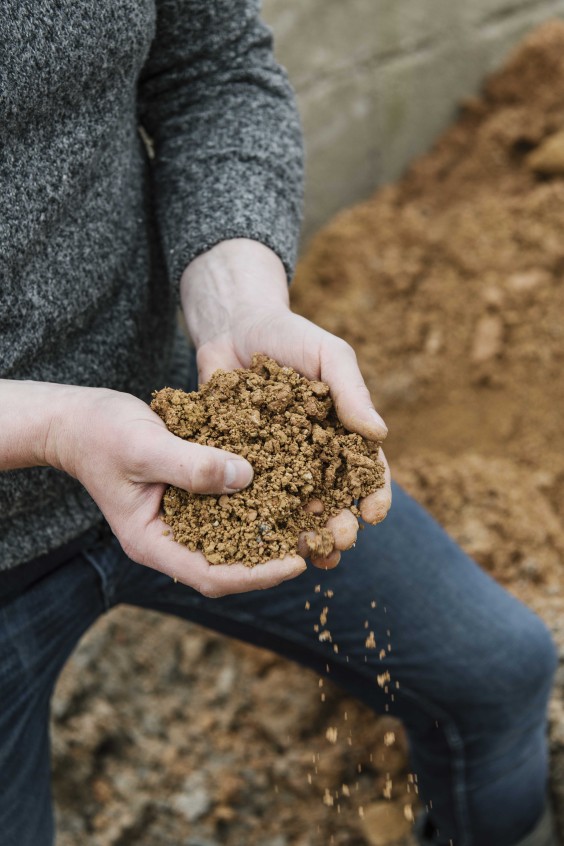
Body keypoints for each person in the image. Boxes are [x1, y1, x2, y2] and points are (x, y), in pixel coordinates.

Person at [0, 3, 557, 845]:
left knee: (497, 672)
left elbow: (211, 69)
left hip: (192, 427)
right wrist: (50, 426)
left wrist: (237, 301)